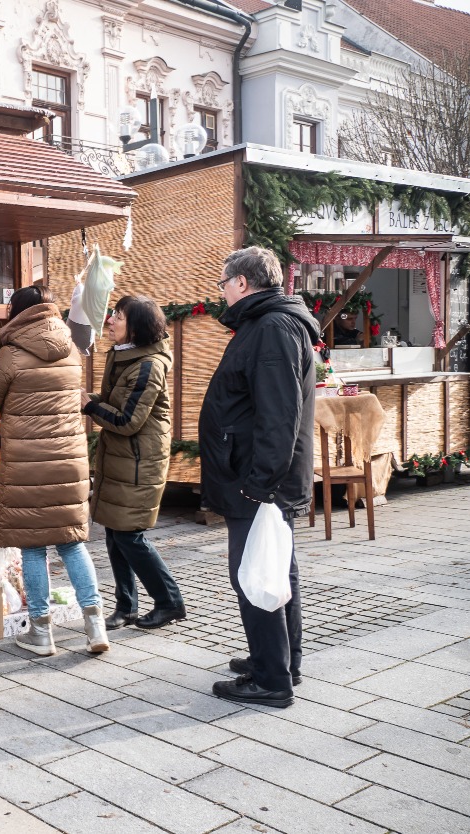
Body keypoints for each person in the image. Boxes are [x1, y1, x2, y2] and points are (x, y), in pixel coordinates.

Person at [201, 246, 318, 708]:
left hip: (259, 480)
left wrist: (259, 482)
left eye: (223, 283)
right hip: (260, 476)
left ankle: (271, 678)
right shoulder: (269, 323)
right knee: (275, 568)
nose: (222, 291)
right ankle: (280, 661)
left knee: (255, 573)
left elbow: (278, 415)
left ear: (243, 283)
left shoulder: (270, 327)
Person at [0, 284, 109, 656]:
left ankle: (41, 633)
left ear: (16, 312)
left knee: (33, 549)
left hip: (27, 466)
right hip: (68, 463)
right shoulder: (72, 352)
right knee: (72, 543)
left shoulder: (11, 355)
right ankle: (96, 627)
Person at [81, 296, 186, 630]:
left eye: (119, 316)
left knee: (130, 536)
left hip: (140, 463)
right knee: (115, 533)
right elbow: (115, 402)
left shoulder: (147, 365)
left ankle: (170, 602)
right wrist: (90, 400)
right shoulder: (125, 356)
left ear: (137, 326)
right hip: (122, 459)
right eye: (112, 314)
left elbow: (127, 419)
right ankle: (126, 606)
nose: (111, 321)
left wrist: (90, 407)